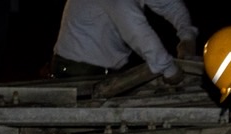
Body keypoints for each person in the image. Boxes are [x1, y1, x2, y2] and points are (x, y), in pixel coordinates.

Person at [52, 0, 195, 81]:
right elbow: (135, 30)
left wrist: (187, 36)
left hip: (107, 70)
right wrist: (168, 69)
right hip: (77, 72)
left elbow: (170, 5)